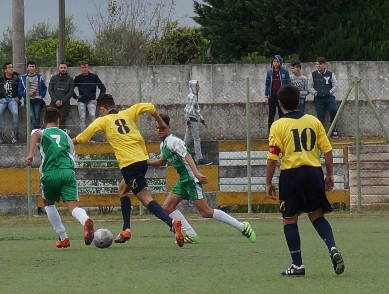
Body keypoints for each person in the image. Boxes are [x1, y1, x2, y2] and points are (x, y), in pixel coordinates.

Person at [72, 93, 184, 247]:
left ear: (102, 109)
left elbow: (83, 137)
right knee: (122, 189)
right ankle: (126, 229)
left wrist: (67, 143)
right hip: (142, 160)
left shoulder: (103, 120)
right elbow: (150, 107)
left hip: (129, 164)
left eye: (100, 111)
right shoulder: (127, 113)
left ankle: (172, 224)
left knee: (146, 199)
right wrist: (160, 123)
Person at [265, 84, 345, 277]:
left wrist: (268, 182)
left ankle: (297, 264)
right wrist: (330, 175)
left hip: (291, 175)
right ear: (299, 101)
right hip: (314, 172)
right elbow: (327, 150)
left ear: (280, 104)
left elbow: (273, 157)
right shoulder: (313, 121)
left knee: (289, 219)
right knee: (317, 215)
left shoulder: (278, 125)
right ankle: (332, 247)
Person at [148, 113, 256, 244]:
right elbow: (162, 161)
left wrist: (196, 174)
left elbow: (187, 155)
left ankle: (242, 226)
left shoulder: (173, 141)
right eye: (157, 128)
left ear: (168, 127)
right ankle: (191, 235)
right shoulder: (163, 144)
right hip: (183, 180)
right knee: (167, 207)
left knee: (205, 211)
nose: (159, 131)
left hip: (191, 178)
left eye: (162, 128)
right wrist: (145, 163)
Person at [25, 107, 94, 248]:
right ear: (58, 121)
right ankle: (86, 220)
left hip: (50, 173)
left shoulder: (42, 132)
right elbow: (71, 153)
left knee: (48, 204)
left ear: (44, 122)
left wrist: (30, 154)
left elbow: (34, 135)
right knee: (73, 207)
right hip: (68, 172)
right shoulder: (66, 136)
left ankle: (63, 237)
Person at [308, 57, 339, 138]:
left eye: (320, 64)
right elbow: (309, 86)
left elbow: (335, 85)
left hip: (329, 97)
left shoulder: (330, 74)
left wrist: (330, 92)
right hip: (318, 98)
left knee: (333, 110)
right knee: (320, 114)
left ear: (324, 65)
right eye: (317, 64)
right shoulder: (313, 75)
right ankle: (322, 131)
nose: (318, 66)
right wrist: (315, 93)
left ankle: (333, 128)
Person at [184, 80, 212, 165]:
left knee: (186, 141)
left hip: (192, 120)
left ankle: (180, 155)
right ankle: (199, 159)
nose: (199, 87)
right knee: (196, 139)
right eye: (197, 86)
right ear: (193, 87)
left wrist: (202, 120)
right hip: (192, 120)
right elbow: (188, 110)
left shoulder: (193, 96)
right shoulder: (192, 96)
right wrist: (188, 121)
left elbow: (196, 110)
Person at [73, 61, 106, 134]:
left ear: (88, 68)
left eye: (86, 67)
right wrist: (75, 96)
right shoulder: (78, 78)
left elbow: (103, 88)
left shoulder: (94, 77)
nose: (84, 69)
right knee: (82, 117)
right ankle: (83, 136)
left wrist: (97, 100)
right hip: (81, 100)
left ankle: (92, 135)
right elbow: (70, 88)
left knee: (92, 115)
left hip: (91, 100)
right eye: (83, 67)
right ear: (80, 68)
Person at [264, 54, 291, 131]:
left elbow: (288, 83)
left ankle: (282, 131)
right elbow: (267, 84)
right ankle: (270, 132)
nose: (276, 63)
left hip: (282, 96)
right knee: (271, 115)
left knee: (282, 114)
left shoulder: (285, 72)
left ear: (280, 62)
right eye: (274, 61)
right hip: (272, 96)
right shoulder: (269, 73)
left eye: (277, 61)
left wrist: (287, 94)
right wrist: (266, 96)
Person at [18, 60, 47, 129]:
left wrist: (41, 96)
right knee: (31, 115)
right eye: (30, 66)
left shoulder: (40, 77)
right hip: (28, 100)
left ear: (35, 68)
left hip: (38, 99)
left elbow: (44, 88)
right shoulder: (23, 78)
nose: (31, 68)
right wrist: (27, 94)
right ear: (27, 68)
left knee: (37, 116)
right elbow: (20, 90)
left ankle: (35, 134)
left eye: (33, 66)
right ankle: (39, 130)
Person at [48, 61, 74, 132]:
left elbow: (71, 92)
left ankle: (61, 135)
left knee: (62, 120)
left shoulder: (70, 79)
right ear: (58, 68)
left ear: (67, 69)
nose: (63, 69)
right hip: (54, 102)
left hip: (65, 103)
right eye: (61, 68)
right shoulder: (54, 78)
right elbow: (50, 90)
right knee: (51, 119)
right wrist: (56, 100)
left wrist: (62, 101)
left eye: (64, 68)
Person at [0, 62, 21, 144]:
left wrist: (18, 97)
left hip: (13, 99)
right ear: (5, 70)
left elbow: (21, 89)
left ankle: (14, 134)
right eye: (9, 67)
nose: (11, 69)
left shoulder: (17, 79)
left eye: (12, 67)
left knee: (15, 113)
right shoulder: (1, 79)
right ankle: (1, 135)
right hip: (3, 99)